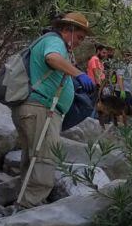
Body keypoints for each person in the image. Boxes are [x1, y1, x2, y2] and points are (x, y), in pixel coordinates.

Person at [14, 12, 96, 208]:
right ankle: (30, 206)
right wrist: (79, 74)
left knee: (32, 157)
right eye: (79, 37)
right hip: (41, 108)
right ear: (68, 29)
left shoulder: (50, 41)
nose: (79, 43)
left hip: (34, 108)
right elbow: (52, 58)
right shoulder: (55, 41)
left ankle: (24, 200)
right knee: (44, 158)